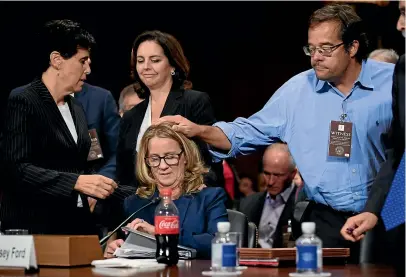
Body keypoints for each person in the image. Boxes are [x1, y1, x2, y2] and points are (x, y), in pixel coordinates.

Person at [158, 3, 395, 260]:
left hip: (388, 215)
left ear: (352, 47)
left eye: (325, 48)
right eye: (311, 48)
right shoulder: (297, 91)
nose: (315, 57)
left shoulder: (393, 82)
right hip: (326, 221)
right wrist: (200, 130)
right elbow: (246, 132)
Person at [0, 20, 118, 235]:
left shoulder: (77, 107)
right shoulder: (23, 100)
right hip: (33, 229)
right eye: (82, 61)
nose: (88, 69)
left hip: (76, 226)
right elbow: (16, 168)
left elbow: (86, 163)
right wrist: (76, 182)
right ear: (57, 60)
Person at [340, 1, 405, 275]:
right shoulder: (404, 68)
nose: (399, 25)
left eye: (404, 13)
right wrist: (374, 209)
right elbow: (400, 152)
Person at [116, 30, 224, 190]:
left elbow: (209, 163)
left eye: (155, 60)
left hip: (186, 201)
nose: (146, 67)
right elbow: (124, 174)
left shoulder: (194, 102)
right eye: (140, 60)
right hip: (140, 206)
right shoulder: (130, 117)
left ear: (172, 64)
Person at [105, 122, 228, 259]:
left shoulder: (210, 198)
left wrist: (159, 233)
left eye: (170, 157)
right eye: (155, 159)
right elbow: (127, 248)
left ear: (186, 157)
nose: (162, 166)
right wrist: (116, 249)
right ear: (147, 162)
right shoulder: (134, 204)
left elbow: (219, 243)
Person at [238, 143, 297, 248]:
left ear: (293, 174)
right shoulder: (247, 203)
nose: (270, 182)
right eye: (266, 173)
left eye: (277, 175)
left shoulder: (303, 206)